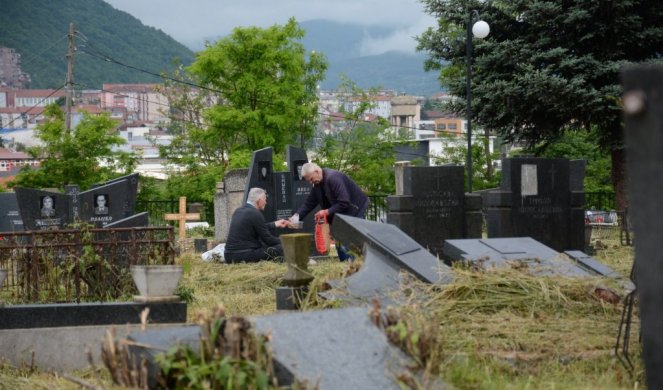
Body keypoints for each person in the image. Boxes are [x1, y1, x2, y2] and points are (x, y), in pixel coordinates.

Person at [290, 162, 369, 261]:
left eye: (311, 179)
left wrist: (326, 212)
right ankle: (346, 266)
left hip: (355, 211)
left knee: (350, 243)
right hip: (340, 215)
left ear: (317, 171)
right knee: (340, 244)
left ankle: (355, 266)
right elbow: (308, 204)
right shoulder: (317, 185)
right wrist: (295, 218)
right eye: (309, 181)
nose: (311, 182)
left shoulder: (333, 178)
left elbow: (344, 202)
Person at [224, 187, 289, 263]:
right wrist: (286, 241)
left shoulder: (238, 211)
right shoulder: (255, 213)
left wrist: (274, 224)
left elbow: (256, 228)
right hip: (243, 256)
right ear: (259, 200)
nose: (266, 202)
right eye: (265, 199)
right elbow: (268, 240)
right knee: (281, 248)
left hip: (228, 256)